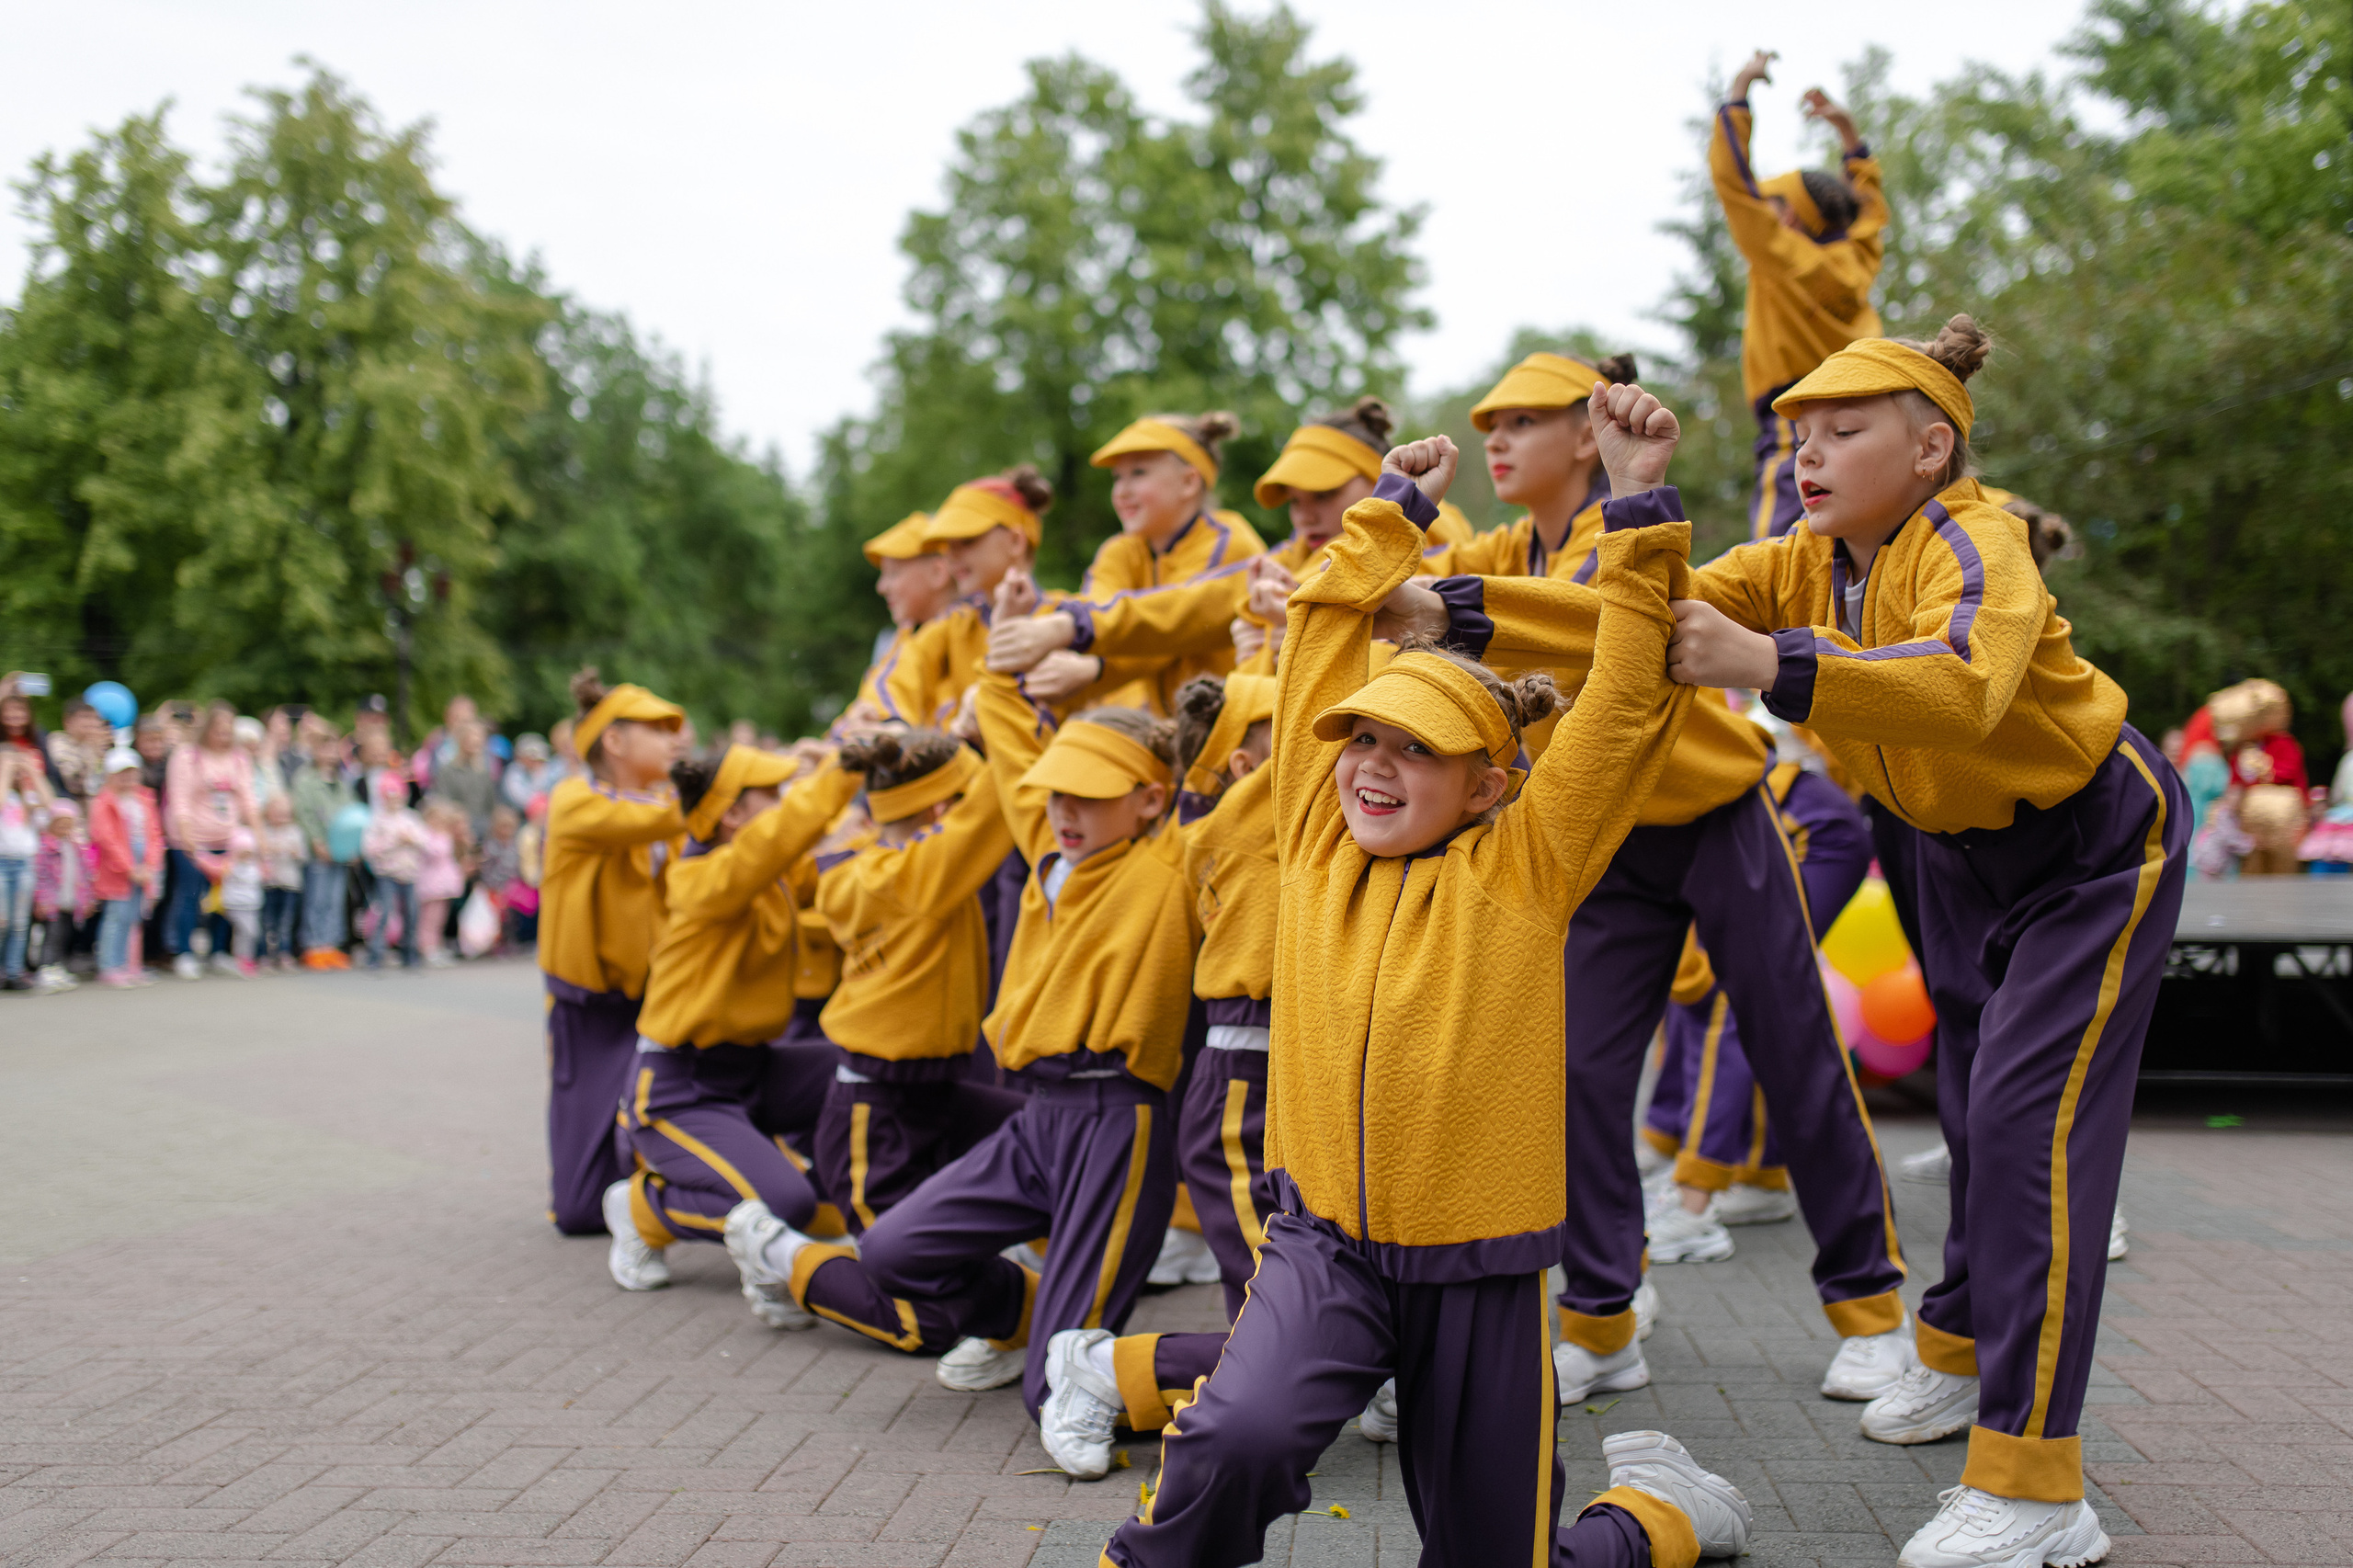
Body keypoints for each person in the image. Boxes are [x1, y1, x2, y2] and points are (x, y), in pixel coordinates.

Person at [1099, 411, 1747, 1568]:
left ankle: (1656, 1514)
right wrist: (1386, 513)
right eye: (1364, 739)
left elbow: (1632, 690)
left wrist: (1638, 500)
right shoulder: (1311, 831)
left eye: (1413, 748)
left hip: (1482, 1264)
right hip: (1324, 1243)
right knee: (1236, 1437)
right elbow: (1315, 631)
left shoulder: (1531, 857)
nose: (1371, 764)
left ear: (1491, 782)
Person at [1655, 316, 2187, 1566]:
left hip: (2093, 842)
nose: (1809, 454)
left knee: (2027, 1137)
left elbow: (1963, 681)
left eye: (1844, 431)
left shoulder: (1979, 535)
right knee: (1967, 1113)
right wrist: (1456, 610)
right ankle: (1952, 1351)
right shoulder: (1807, 556)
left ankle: (2039, 1484)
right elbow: (1646, 608)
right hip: (1946, 847)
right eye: (1799, 435)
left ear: (1932, 446)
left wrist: (1772, 663)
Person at [1381, 352, 1911, 1407]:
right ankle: (1602, 1320)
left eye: (1523, 419)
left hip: (1713, 816)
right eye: (1487, 420)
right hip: (1602, 841)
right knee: (1575, 1077)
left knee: (1794, 1053)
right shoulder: (1495, 546)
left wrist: (1447, 600)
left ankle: (1872, 1311)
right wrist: (1386, 516)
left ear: (1586, 433)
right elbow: (1407, 603)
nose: (1495, 437)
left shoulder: (1617, 534)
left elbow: (1593, 616)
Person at [740, 667, 1201, 1425]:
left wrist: (1007, 674)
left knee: (1052, 1391)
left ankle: (1158, 1372)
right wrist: (997, 683)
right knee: (890, 1255)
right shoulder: (1031, 853)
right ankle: (1028, 1319)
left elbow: (1011, 778)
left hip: (1117, 1117)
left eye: (1089, 794)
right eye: (1060, 793)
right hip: (1029, 1111)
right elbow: (1016, 783)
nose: (1065, 811)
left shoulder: (1168, 862)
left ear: (1152, 801)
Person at [1032, 669, 1280, 1480]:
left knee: (1313, 1307)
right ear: (1246, 769)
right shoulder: (1236, 821)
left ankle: (1100, 1366)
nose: (1347, 745)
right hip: (1237, 1080)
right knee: (1285, 1319)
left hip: (1297, 1080)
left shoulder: (1282, 810)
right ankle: (1109, 1371)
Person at [606, 744, 861, 1309]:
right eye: (770, 793)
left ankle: (830, 1199)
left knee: (867, 1070)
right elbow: (780, 842)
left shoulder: (761, 871)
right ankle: (644, 1209)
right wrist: (846, 770)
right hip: (679, 1088)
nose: (784, 800)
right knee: (785, 1205)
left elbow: (831, 867)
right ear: (732, 815)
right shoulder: (703, 876)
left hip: (752, 1069)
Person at [810, 730, 1028, 1238]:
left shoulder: (888, 861)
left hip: (929, 1091)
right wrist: (1007, 717)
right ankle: (783, 1258)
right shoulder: (913, 871)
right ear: (940, 809)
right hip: (876, 1107)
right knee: (888, 1270)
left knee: (1045, 1140)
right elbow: (993, 802)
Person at [1713, 50, 1888, 540]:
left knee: (1772, 554)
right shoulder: (1858, 258)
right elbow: (1870, 214)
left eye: (1774, 206)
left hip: (1798, 420)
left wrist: (1737, 97)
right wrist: (1851, 139)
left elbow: (1735, 187)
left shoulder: (1783, 255)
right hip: (1867, 415)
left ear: (1788, 218)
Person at [539, 670, 687, 1237]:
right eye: (657, 728)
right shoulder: (575, 799)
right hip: (589, 1001)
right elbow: (652, 821)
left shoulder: (664, 803)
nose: (675, 739)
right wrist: (724, 786)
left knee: (663, 1112)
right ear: (614, 741)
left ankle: (657, 1204)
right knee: (578, 1209)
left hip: (652, 998)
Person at [1076, 412, 1267, 712]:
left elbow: (1173, 627)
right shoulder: (1122, 549)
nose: (1121, 491)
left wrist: (1094, 667)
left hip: (1225, 724)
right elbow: (1094, 614)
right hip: (1161, 725)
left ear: (1189, 482)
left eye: (1139, 473)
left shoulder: (1228, 539)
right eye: (1117, 477)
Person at [835, 513, 958, 733]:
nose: (881, 587)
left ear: (938, 573)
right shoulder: (903, 640)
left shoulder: (972, 633)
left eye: (893, 574)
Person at [164, 702, 259, 980]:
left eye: (228, 731)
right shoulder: (187, 756)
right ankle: (185, 952)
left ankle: (219, 951)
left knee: (226, 899)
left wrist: (259, 836)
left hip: (227, 838)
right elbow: (179, 798)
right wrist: (187, 835)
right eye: (219, 731)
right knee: (190, 896)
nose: (224, 736)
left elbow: (248, 799)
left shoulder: (239, 758)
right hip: (192, 838)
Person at [88, 748, 163, 987]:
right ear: (110, 775)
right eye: (121, 774)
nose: (127, 779)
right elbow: (106, 839)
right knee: (116, 916)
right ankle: (110, 965)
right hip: (118, 867)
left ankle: (131, 965)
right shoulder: (104, 802)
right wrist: (130, 868)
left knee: (134, 916)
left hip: (142, 863)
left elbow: (154, 834)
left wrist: (150, 864)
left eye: (132, 773)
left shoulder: (144, 799)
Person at [291, 730, 355, 967]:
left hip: (340, 852)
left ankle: (330, 944)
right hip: (318, 852)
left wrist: (350, 846)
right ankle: (313, 944)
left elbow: (350, 817)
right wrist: (317, 841)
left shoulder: (342, 782)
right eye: (324, 749)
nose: (330, 755)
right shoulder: (305, 780)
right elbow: (305, 814)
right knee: (317, 899)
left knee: (335, 899)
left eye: (333, 749)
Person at [362, 769, 429, 971]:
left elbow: (425, 841)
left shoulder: (411, 818)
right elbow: (369, 848)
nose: (394, 801)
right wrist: (394, 842)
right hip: (387, 873)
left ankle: (409, 953)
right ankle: (376, 954)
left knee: (411, 914)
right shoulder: (377, 821)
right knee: (384, 913)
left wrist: (411, 840)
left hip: (408, 873)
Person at [30, 797, 95, 993]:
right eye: (60, 825)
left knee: (64, 935)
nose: (65, 829)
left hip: (70, 900)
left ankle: (57, 967)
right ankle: (45, 968)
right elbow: (40, 875)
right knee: (51, 935)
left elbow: (84, 873)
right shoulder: (45, 847)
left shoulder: (76, 846)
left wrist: (86, 899)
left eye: (69, 825)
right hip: (52, 902)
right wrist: (41, 899)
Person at [0, 747, 50, 990]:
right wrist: (5, 772)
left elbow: (51, 805)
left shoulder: (27, 798)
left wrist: (32, 771)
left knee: (20, 922)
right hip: (1, 862)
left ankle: (13, 970)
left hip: (24, 863)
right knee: (2, 920)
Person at [413, 800, 470, 968]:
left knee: (439, 919)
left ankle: (435, 946)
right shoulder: (424, 835)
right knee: (429, 919)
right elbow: (432, 853)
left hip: (443, 885)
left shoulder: (444, 836)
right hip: (431, 885)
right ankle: (427, 948)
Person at [259, 794, 307, 971]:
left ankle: (284, 953)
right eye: (276, 813)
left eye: (284, 814)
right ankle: (264, 954)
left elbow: (303, 855)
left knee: (285, 922)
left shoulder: (295, 832)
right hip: (269, 883)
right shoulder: (263, 831)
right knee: (267, 921)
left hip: (290, 884)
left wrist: (294, 852)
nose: (280, 817)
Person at [432, 720, 500, 843]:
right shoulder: (448, 771)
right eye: (470, 737)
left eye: (478, 737)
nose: (475, 741)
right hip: (455, 832)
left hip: (482, 833)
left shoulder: (484, 773)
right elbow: (443, 803)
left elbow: (490, 807)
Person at [219, 826, 266, 977]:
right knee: (247, 932)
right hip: (236, 905)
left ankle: (245, 958)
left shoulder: (254, 867)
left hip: (251, 906)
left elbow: (259, 881)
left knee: (249, 934)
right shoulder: (231, 866)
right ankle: (241, 959)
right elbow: (226, 884)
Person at [500, 733, 564, 813]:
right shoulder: (514, 771)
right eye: (532, 757)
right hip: (519, 815)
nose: (536, 761)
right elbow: (519, 799)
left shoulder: (548, 769)